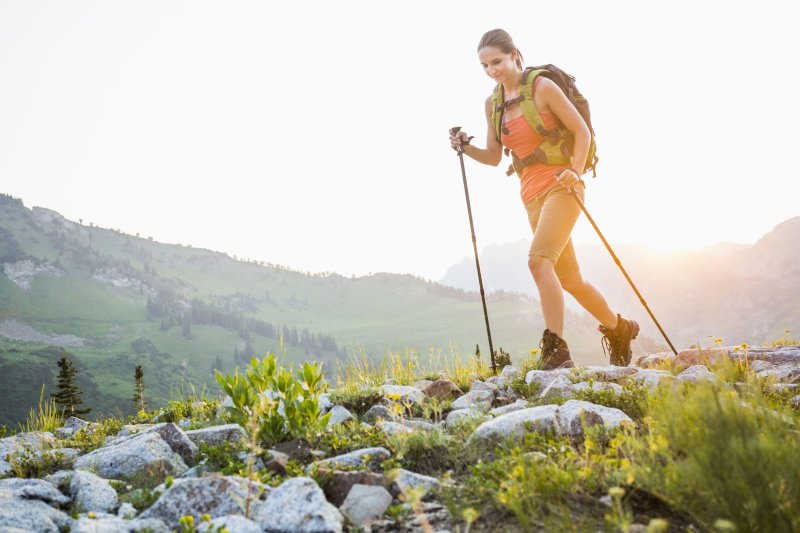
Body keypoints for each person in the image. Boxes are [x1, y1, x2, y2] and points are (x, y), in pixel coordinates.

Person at [449, 28, 639, 369]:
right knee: (570, 280)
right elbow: (494, 157)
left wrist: (576, 172)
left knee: (538, 262)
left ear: (514, 55)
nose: (492, 70)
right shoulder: (492, 104)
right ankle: (619, 329)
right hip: (530, 194)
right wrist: (466, 147)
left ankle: (556, 351)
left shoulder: (542, 88)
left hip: (563, 187)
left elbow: (581, 130)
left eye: (497, 61)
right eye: (484, 66)